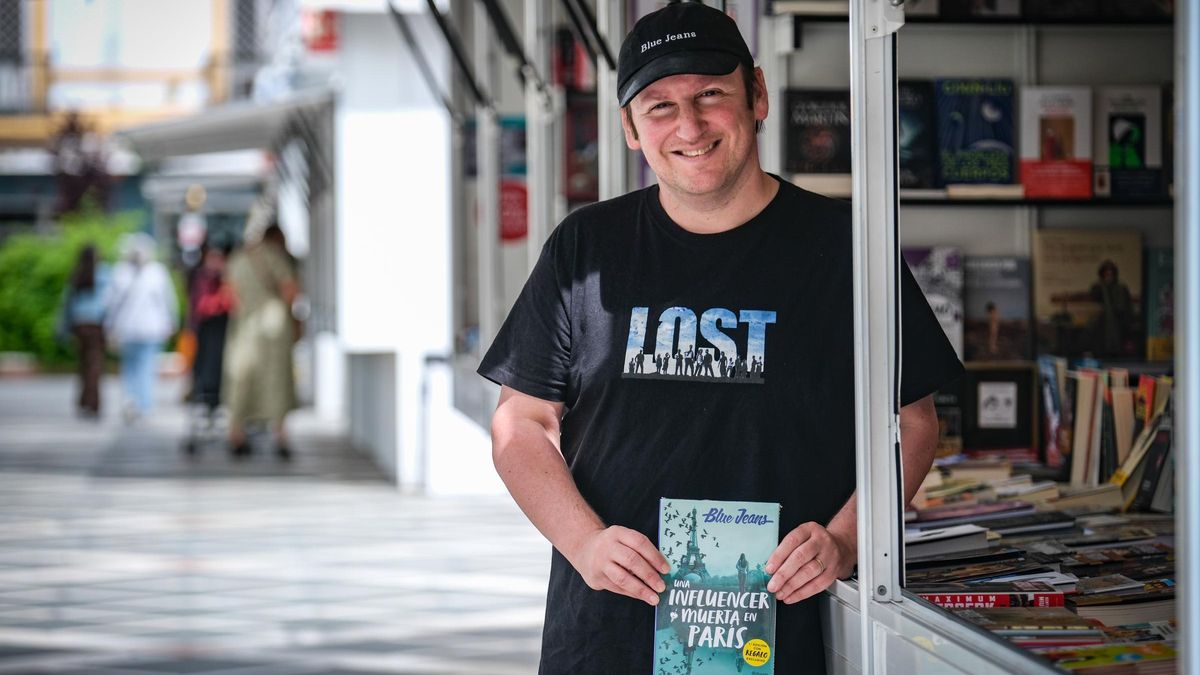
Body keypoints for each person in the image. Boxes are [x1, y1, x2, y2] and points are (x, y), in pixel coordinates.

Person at [477, 3, 963, 673]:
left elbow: (913, 421)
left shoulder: (846, 250)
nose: (690, 126)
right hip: (609, 634)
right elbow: (519, 425)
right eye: (659, 106)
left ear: (757, 94)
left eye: (711, 95)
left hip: (785, 632)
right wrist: (584, 543)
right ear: (628, 126)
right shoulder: (586, 250)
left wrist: (848, 540)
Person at [222, 224, 299, 460]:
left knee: (241, 377)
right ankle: (281, 435)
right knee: (275, 379)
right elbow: (291, 290)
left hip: (246, 326)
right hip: (274, 324)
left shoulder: (237, 259)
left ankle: (236, 434)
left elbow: (229, 295)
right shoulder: (277, 257)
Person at [105, 233, 178, 422]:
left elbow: (111, 304)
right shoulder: (157, 272)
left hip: (127, 328)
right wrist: (171, 322)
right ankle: (144, 404)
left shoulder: (120, 272)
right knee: (145, 367)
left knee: (129, 367)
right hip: (151, 329)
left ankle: (131, 400)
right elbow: (168, 301)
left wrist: (109, 326)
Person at [60, 245, 109, 417]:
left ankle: (83, 402)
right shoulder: (102, 273)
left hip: (79, 325)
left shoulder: (77, 274)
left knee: (82, 366)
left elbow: (67, 304)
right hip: (96, 325)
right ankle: (93, 403)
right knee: (95, 366)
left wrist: (65, 328)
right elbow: (109, 300)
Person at [187, 242, 233, 419]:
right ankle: (209, 399)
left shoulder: (227, 279)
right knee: (208, 369)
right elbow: (201, 306)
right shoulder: (202, 278)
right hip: (206, 333)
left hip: (223, 332)